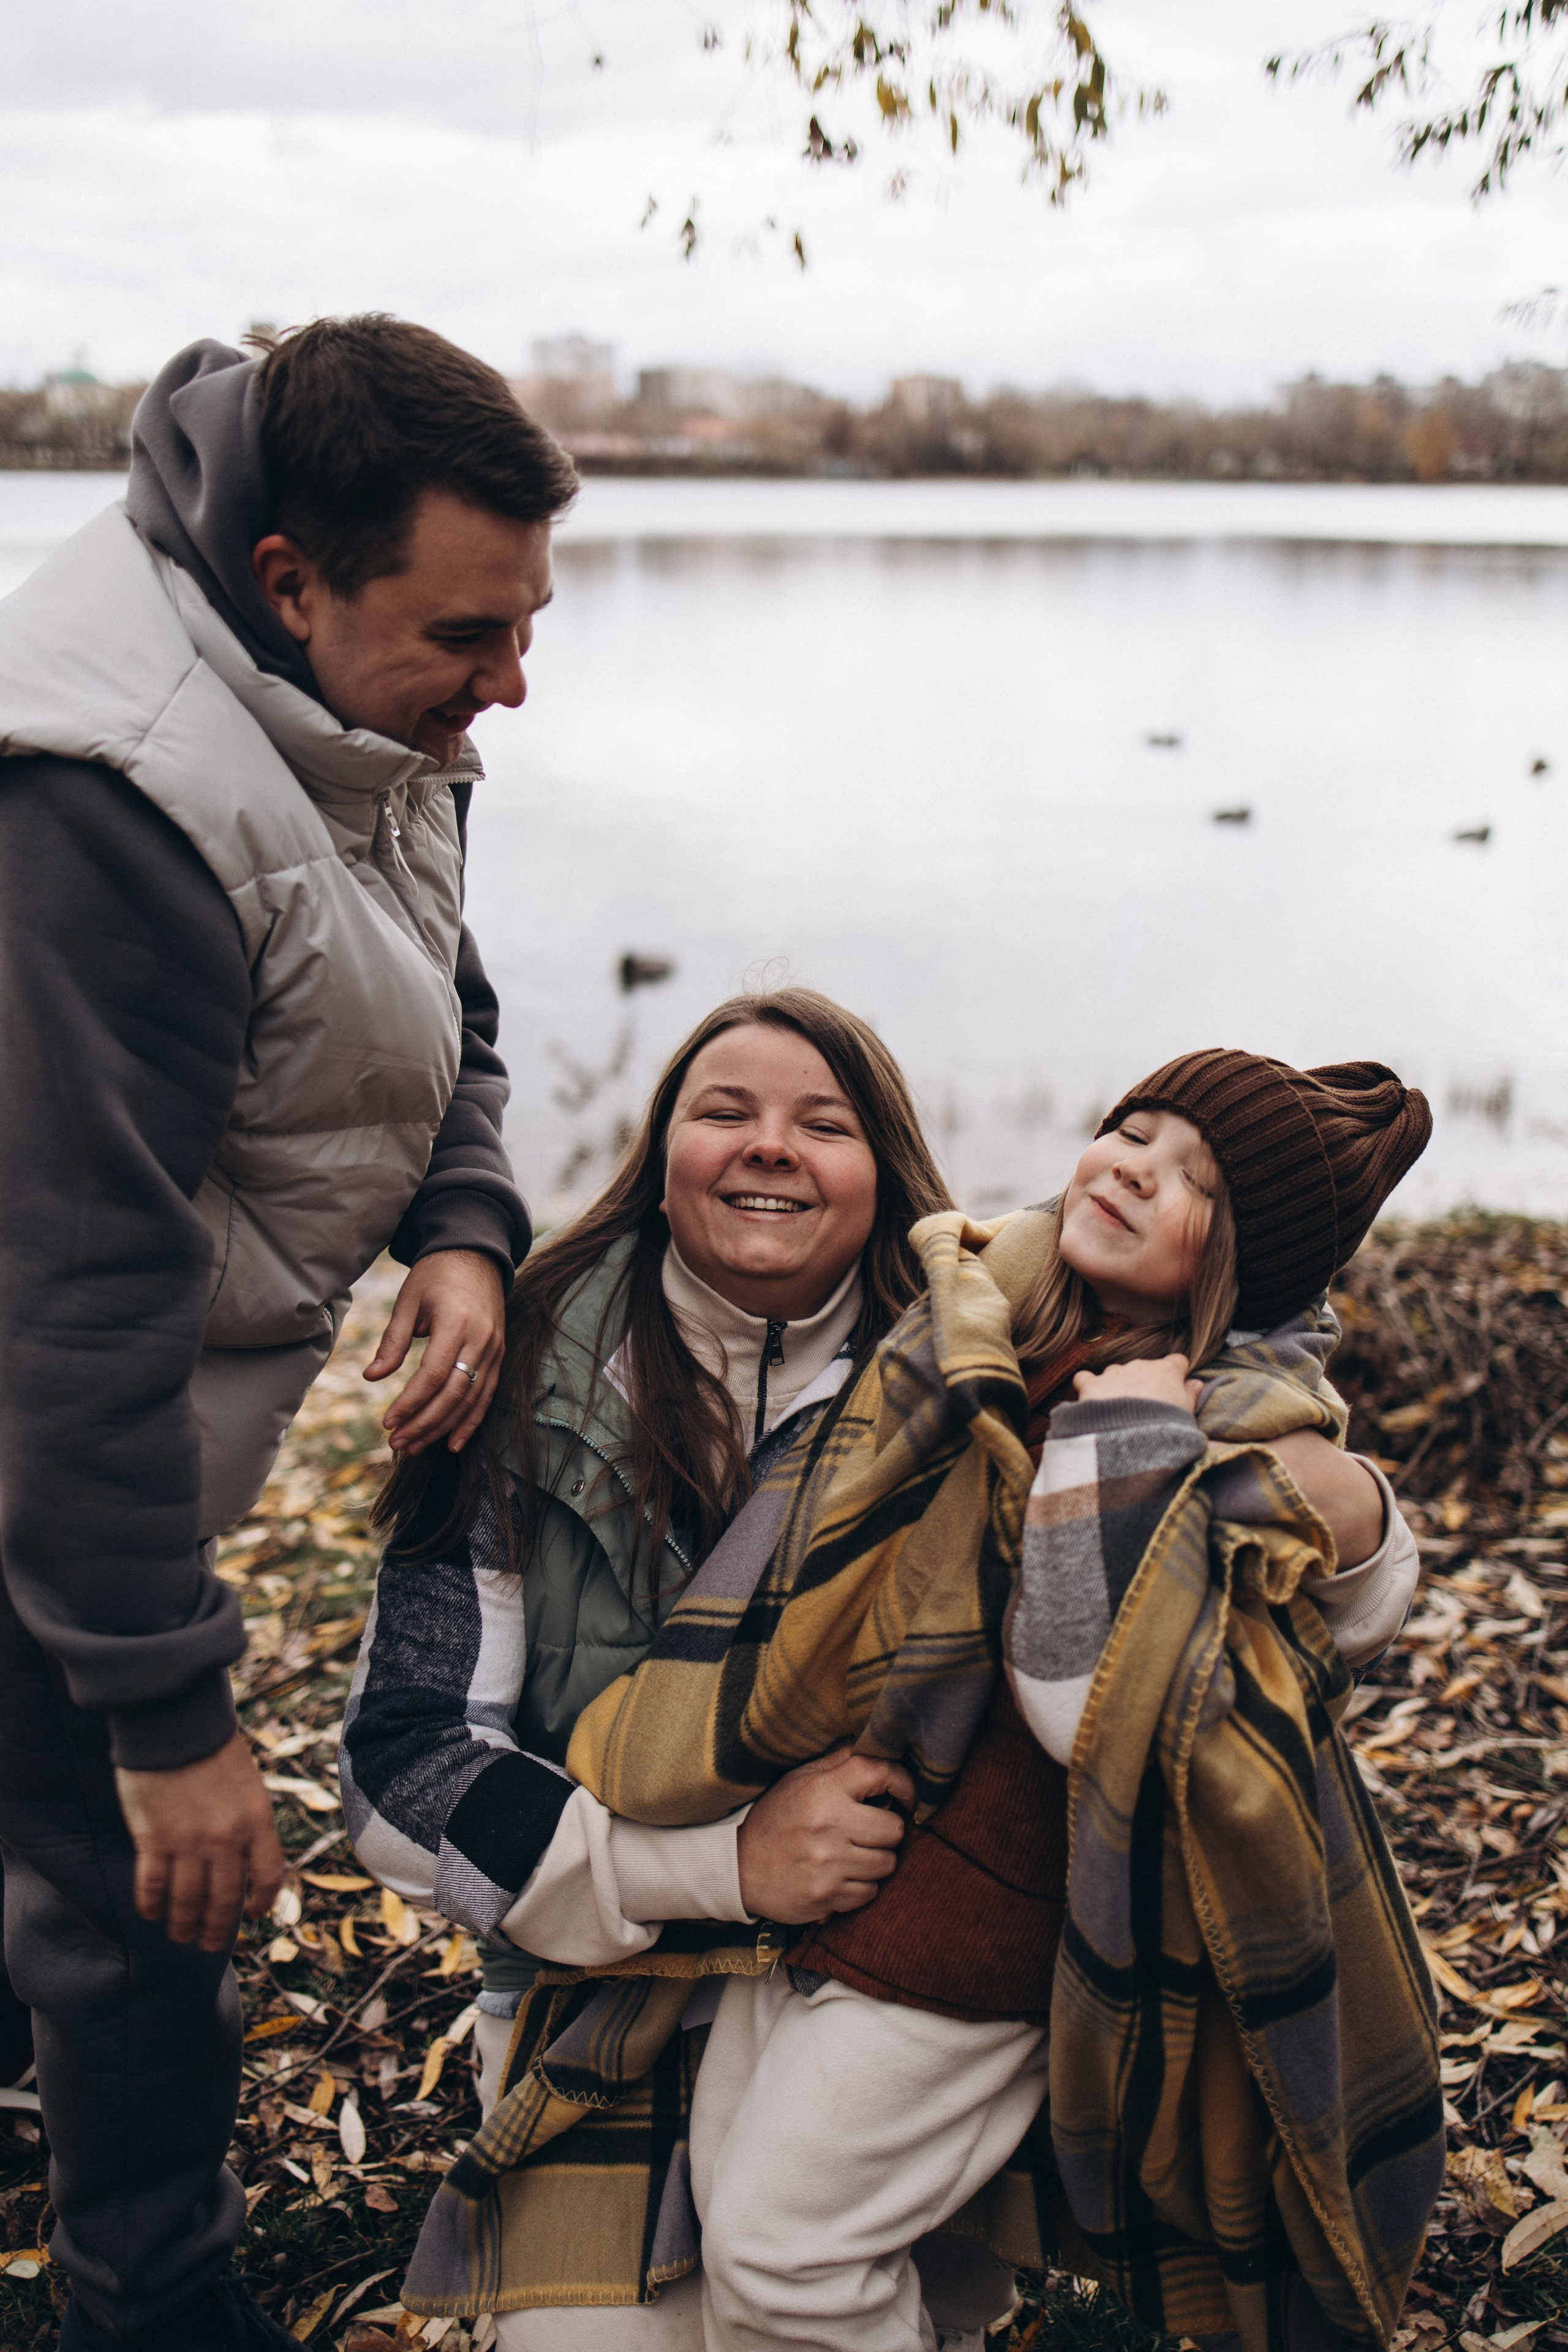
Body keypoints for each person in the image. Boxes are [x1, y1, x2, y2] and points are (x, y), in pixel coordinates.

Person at [0, 316, 575, 2350]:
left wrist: (467, 1226)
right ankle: (144, 2306)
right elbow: (62, 1326)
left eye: (530, 623)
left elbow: (447, 997)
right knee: (158, 1899)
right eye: (468, 638)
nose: (510, 691)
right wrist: (172, 1724)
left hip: (106, 1419)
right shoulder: (104, 813)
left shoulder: (362, 713)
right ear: (290, 585)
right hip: (37, 1439)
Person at [559, 1050, 1437, 2352]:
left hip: (994, 1911)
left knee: (781, 2253)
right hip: (848, 1842)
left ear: (1245, 1268)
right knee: (816, 2223)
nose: (1136, 1166)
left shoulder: (1213, 1426)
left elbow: (1081, 1706)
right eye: (1130, 1130)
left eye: (1193, 1179)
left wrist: (1115, 1449)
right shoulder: (986, 1304)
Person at [341, 986, 953, 2348]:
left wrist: (1352, 1529)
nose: (768, 1147)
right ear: (659, 1154)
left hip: (858, 1977)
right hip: (584, 1979)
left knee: (797, 2302)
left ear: (885, 1173)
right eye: (722, 1111)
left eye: (824, 1124)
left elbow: (1223, 1345)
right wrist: (716, 1867)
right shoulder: (511, 1364)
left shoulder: (964, 1377)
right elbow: (400, 1775)